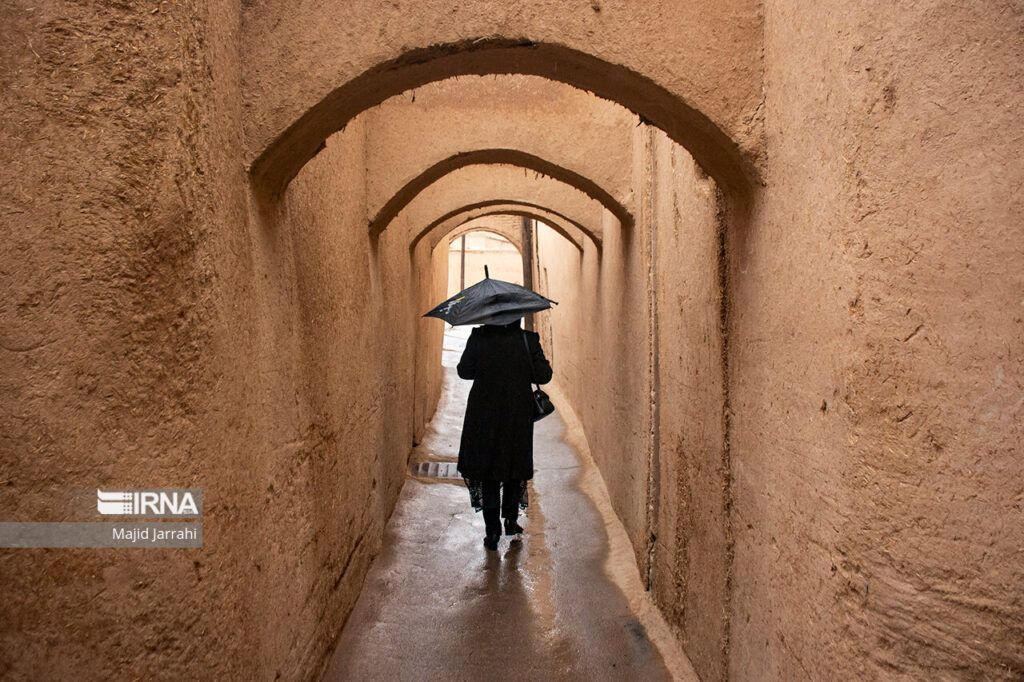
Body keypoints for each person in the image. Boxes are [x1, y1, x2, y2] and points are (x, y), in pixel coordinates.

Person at [456, 318, 553, 551]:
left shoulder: (479, 338)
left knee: (488, 468)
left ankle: (492, 530)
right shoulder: (527, 340)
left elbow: (463, 371)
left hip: (483, 414)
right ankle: (510, 519)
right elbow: (544, 375)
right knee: (513, 464)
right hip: (516, 415)